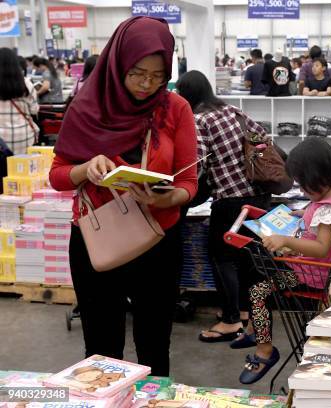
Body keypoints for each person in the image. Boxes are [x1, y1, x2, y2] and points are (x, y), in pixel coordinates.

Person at [49, 16, 198, 376]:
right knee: (101, 351)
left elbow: (189, 182)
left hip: (157, 240)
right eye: (137, 73)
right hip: (97, 240)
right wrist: (86, 169)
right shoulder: (87, 107)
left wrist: (166, 199)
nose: (147, 84)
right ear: (117, 63)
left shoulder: (175, 109)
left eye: (157, 76)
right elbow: (57, 176)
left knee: (154, 349)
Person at [231, 138, 331, 384]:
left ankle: (265, 349)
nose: (303, 191)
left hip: (308, 274)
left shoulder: (328, 211)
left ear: (318, 180)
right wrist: (302, 214)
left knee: (257, 291)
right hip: (304, 266)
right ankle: (255, 327)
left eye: (304, 186)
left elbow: (320, 248)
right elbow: (316, 217)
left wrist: (286, 240)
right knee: (256, 265)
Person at [175, 70, 271, 344]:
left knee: (221, 257)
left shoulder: (199, 120)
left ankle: (229, 321)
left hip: (230, 199)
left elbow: (197, 164)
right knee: (245, 258)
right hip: (259, 195)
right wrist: (245, 167)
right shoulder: (234, 111)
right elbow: (262, 138)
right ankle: (243, 312)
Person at [0, 48, 39, 155]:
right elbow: (34, 110)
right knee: (21, 169)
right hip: (23, 137)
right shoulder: (27, 84)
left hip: (1, 142)